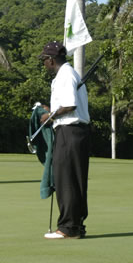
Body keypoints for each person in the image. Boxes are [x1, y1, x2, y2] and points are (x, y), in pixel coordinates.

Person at [38, 41, 90, 239]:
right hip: (74, 132)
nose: (43, 63)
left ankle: (68, 227)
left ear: (51, 60)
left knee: (66, 179)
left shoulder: (65, 75)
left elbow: (70, 105)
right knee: (73, 179)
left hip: (70, 130)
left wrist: (48, 116)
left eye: (44, 60)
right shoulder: (67, 74)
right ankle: (76, 225)